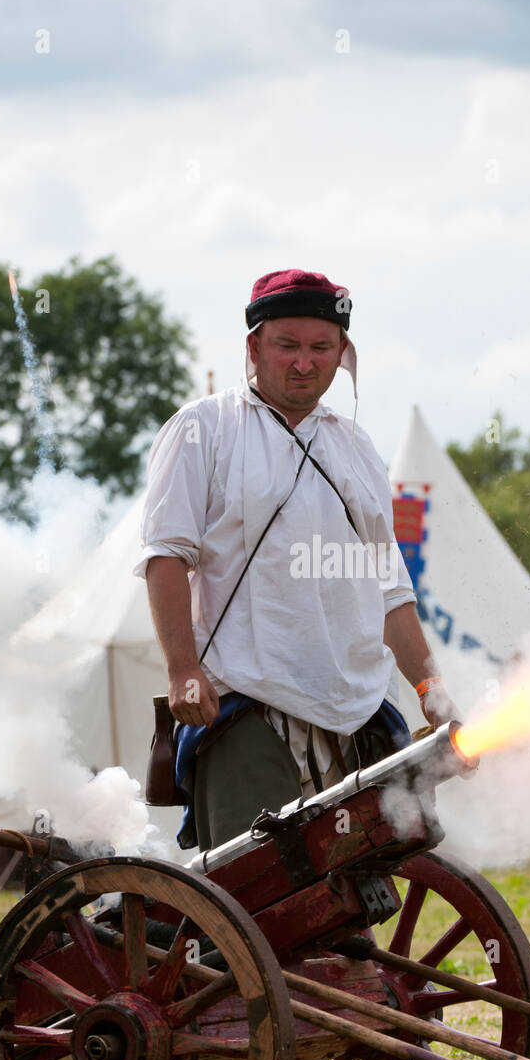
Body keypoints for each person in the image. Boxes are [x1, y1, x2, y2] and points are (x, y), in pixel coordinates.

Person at [134, 268, 459, 852]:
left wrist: (430, 687)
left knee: (342, 907)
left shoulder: (356, 446)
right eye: (287, 346)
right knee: (256, 898)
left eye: (320, 347)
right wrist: (183, 667)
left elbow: (387, 587)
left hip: (354, 711)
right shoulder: (200, 430)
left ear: (343, 354)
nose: (305, 363)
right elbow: (166, 556)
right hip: (246, 702)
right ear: (254, 346)